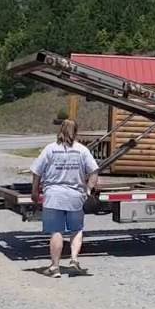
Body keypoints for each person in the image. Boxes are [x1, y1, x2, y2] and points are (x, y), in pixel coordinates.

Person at [29, 119, 100, 278]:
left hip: (54, 196)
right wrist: (88, 189)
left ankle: (55, 267)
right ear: (76, 132)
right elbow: (94, 171)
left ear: (60, 130)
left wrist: (35, 191)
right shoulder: (82, 150)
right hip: (75, 196)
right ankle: (74, 260)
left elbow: (36, 172)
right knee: (76, 230)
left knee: (56, 231)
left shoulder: (50, 149)